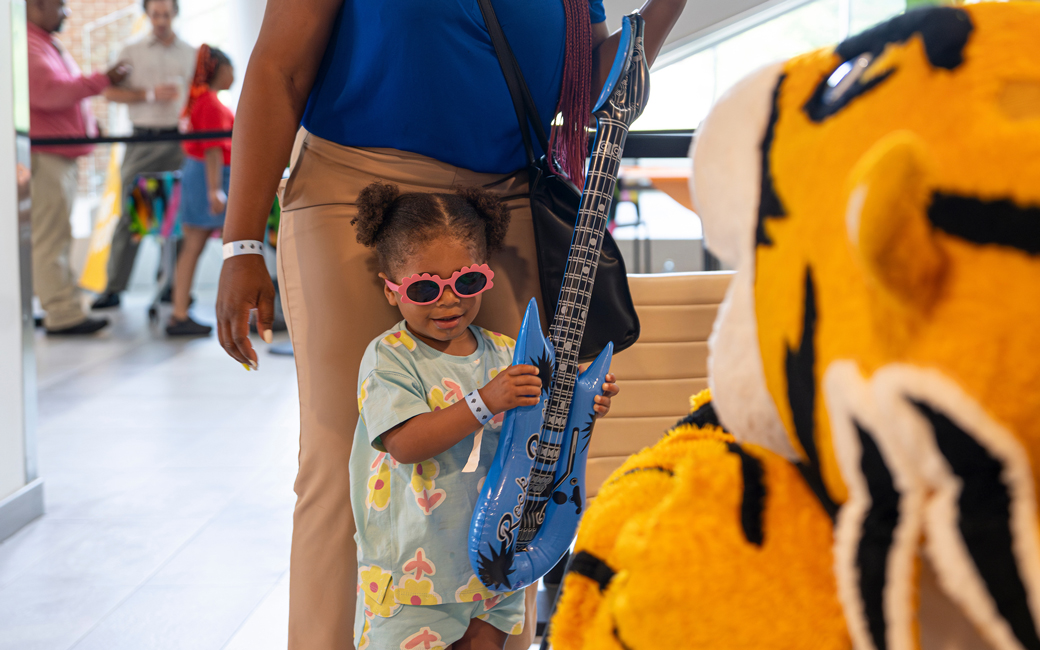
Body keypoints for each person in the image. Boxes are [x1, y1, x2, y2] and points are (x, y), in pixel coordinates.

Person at [215, 0, 687, 647]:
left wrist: (667, 8)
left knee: (515, 444)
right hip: (352, 185)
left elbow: (588, 87)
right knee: (347, 453)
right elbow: (279, 70)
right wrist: (242, 243)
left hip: (501, 203)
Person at [349, 182, 618, 650]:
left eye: (466, 281)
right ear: (391, 291)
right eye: (425, 287)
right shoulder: (390, 357)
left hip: (495, 554)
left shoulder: (508, 352)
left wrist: (583, 402)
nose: (449, 301)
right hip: (416, 567)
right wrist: (484, 401)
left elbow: (545, 429)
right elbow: (405, 444)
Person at [27, 0, 129, 335]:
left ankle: (59, 305)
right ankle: (62, 313)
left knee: (54, 235)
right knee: (51, 237)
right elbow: (49, 93)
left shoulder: (42, 42)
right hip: (48, 156)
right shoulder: (29, 45)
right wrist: (102, 80)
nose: (67, 13)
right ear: (38, 5)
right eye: (60, 5)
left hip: (58, 155)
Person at [92, 0, 197, 310]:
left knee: (178, 214)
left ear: (175, 14)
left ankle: (172, 285)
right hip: (142, 140)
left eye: (166, 14)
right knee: (130, 213)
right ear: (147, 15)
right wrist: (147, 95)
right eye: (155, 14)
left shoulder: (191, 54)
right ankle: (114, 287)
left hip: (179, 141)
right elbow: (109, 92)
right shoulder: (131, 51)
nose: (161, 20)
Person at [166, 45, 233, 336]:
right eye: (230, 68)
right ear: (219, 70)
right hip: (209, 177)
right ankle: (180, 313)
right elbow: (213, 150)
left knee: (193, 246)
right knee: (203, 245)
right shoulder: (209, 102)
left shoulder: (203, 100)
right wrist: (215, 190)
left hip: (205, 175)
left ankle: (180, 312)